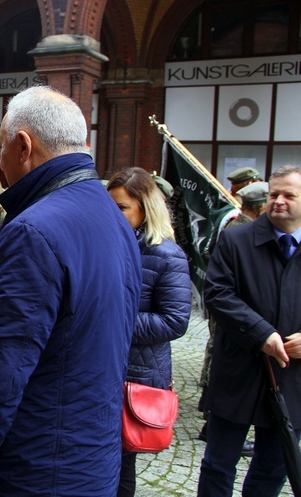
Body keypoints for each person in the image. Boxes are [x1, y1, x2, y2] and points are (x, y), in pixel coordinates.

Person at [0, 86, 141, 495]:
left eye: (0, 149)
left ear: (23, 146)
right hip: (91, 461)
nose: (0, 165)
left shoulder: (33, 231)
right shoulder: (114, 217)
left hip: (36, 471)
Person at [197, 165, 301, 496]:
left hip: (292, 379)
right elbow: (217, 293)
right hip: (238, 372)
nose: (279, 201)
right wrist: (261, 334)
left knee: (273, 468)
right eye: (274, 195)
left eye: (289, 195)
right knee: (218, 465)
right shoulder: (236, 239)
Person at [106, 167, 192, 496]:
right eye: (110, 206)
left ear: (145, 208)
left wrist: (112, 321)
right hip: (101, 366)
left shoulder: (167, 256)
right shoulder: (108, 244)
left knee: (122, 461)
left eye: (122, 208)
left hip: (135, 372)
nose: (113, 215)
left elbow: (173, 321)